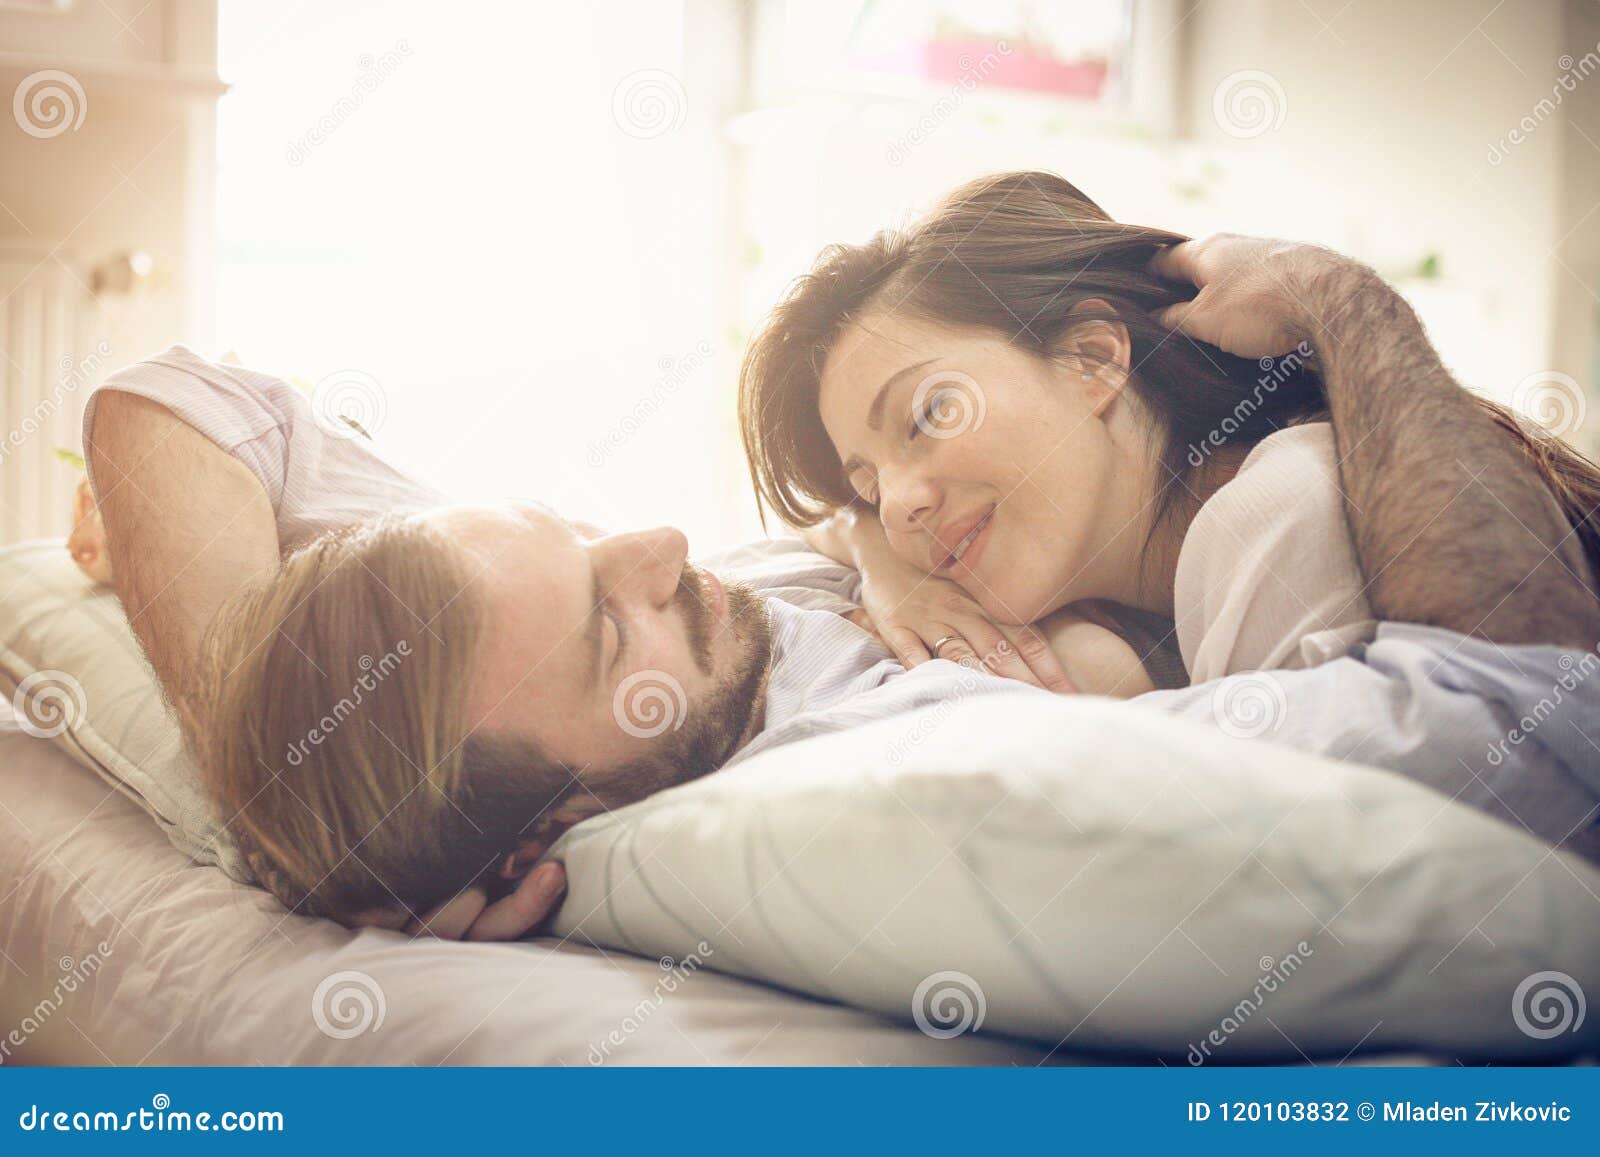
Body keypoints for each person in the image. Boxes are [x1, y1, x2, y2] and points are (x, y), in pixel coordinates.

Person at [83, 199, 1600, 940]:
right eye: (621, 632)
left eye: (592, 535)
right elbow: (1538, 741)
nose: (664, 545)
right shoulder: (924, 747)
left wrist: (275, 788)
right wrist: (347, 835)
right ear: (550, 828)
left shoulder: (647, 611)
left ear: (1093, 358)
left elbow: (183, 396)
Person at [738, 171, 1600, 689]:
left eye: (930, 413)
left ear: (1092, 361)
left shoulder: (1276, 517)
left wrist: (1333, 296)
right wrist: (887, 567)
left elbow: (1528, 730)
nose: (903, 505)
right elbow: (820, 522)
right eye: (871, 479)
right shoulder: (1136, 563)